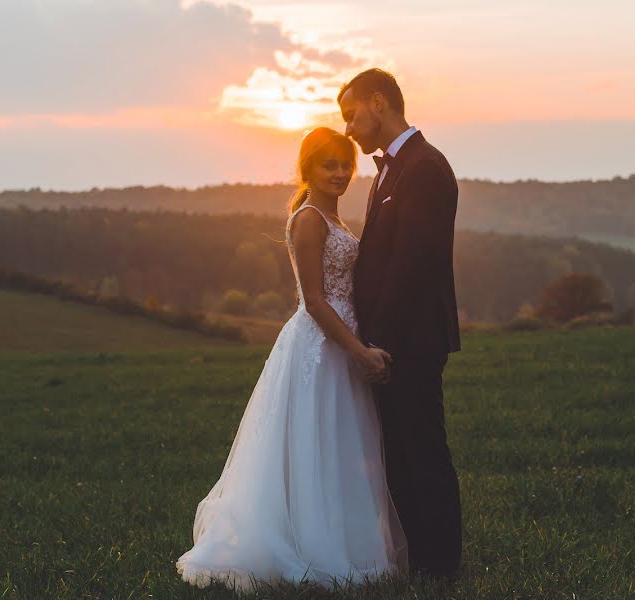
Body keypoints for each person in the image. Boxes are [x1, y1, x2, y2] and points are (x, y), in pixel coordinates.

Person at [175, 127, 407, 591]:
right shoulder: (308, 220)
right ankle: (308, 546)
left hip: (342, 341)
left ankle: (345, 540)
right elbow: (316, 301)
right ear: (308, 169)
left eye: (346, 165)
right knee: (314, 441)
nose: (341, 173)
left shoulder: (333, 218)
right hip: (321, 346)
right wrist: (358, 350)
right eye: (330, 165)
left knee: (342, 444)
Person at [338, 68, 462, 578]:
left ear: (378, 102)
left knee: (423, 452)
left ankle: (441, 570)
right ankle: (420, 562)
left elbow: (414, 264)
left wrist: (379, 343)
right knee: (401, 457)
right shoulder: (393, 167)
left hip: (410, 340)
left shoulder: (426, 167)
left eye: (351, 115)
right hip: (392, 341)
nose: (347, 128)